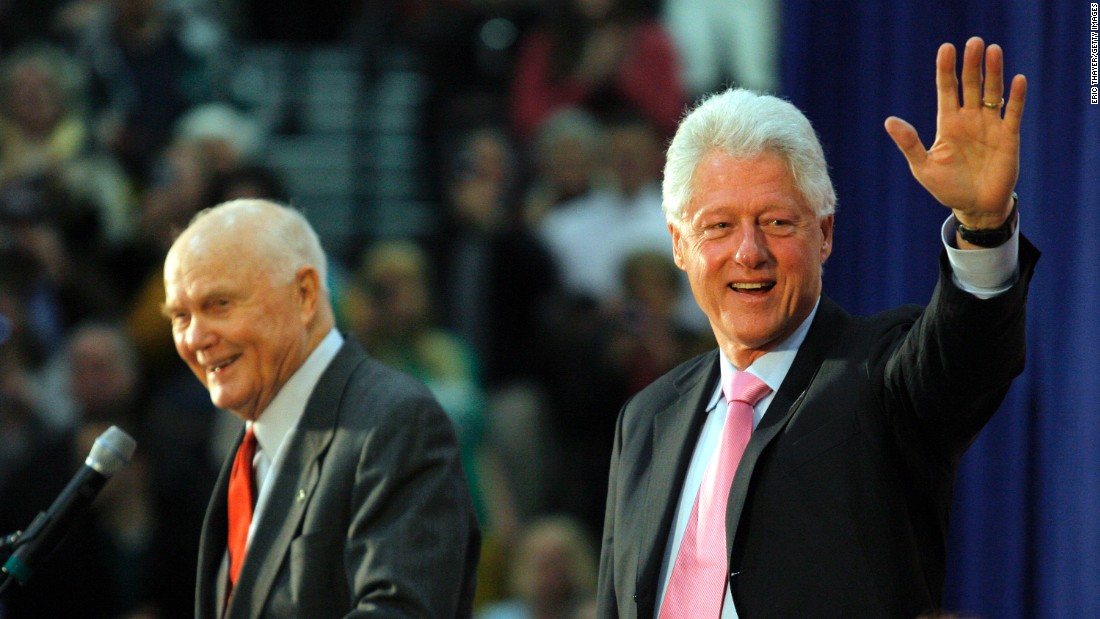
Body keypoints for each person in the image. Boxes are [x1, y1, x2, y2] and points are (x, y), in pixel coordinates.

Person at [596, 36, 1036, 618]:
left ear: (824, 234)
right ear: (679, 245)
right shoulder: (647, 419)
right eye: (720, 226)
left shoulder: (881, 375)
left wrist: (983, 226)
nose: (749, 252)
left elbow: (968, 353)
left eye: (777, 221)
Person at [161, 199, 480, 617]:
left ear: (305, 294)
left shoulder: (395, 421)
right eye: (181, 316)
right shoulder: (250, 445)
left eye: (219, 304)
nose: (196, 338)